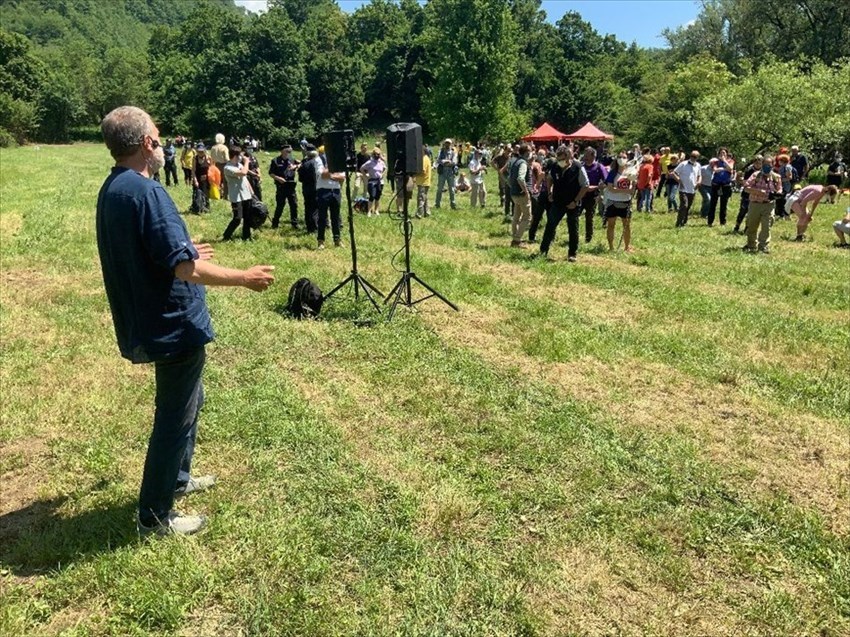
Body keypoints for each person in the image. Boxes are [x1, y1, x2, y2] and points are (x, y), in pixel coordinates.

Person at [96, 106, 274, 537]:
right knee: (174, 418)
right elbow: (186, 270)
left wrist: (182, 244)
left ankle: (177, 478)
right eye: (158, 139)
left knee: (191, 401)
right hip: (171, 324)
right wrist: (244, 277)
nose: (161, 146)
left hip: (154, 318)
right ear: (147, 144)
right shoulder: (147, 192)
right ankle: (154, 516)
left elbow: (148, 248)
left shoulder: (115, 188)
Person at [539, 145, 589, 262]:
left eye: (561, 159)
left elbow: (585, 185)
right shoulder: (555, 166)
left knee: (573, 228)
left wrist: (575, 201)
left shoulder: (578, 167)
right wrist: (550, 192)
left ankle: (572, 254)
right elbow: (549, 178)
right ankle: (543, 251)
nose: (560, 161)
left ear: (568, 157)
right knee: (550, 225)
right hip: (557, 202)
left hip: (573, 203)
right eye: (558, 159)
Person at [742, 155, 782, 254]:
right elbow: (746, 188)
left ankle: (763, 246)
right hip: (755, 204)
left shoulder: (776, 177)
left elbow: (779, 189)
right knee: (752, 225)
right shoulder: (755, 175)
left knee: (766, 226)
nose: (767, 167)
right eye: (765, 164)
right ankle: (751, 244)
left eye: (769, 165)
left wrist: (777, 194)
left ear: (773, 165)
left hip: (769, 205)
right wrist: (759, 192)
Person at [603, 151, 636, 252]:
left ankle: (626, 247)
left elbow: (633, 186)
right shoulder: (613, 172)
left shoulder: (630, 172)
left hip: (626, 202)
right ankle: (611, 247)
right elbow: (610, 188)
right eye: (620, 157)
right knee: (611, 225)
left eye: (624, 157)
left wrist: (633, 187)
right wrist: (626, 191)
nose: (622, 159)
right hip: (613, 202)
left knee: (626, 225)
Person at [221, 147, 256, 241]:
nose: (241, 157)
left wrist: (251, 191)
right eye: (239, 155)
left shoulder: (239, 165)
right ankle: (226, 236)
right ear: (234, 156)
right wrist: (247, 162)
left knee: (247, 217)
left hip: (246, 195)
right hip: (236, 196)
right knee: (237, 218)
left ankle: (246, 236)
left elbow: (245, 179)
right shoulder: (227, 168)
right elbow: (243, 173)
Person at [315, 152, 345, 249]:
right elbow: (323, 175)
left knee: (336, 217)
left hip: (336, 191)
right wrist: (333, 170)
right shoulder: (319, 159)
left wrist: (330, 175)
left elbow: (342, 177)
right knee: (322, 217)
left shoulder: (338, 160)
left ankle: (337, 240)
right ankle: (321, 241)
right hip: (323, 191)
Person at [508, 143, 534, 248]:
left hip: (514, 193)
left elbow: (510, 178)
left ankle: (515, 237)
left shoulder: (515, 162)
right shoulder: (523, 163)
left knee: (516, 216)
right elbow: (520, 178)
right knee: (527, 217)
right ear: (527, 153)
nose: (531, 153)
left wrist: (513, 187)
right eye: (530, 151)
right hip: (521, 194)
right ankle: (517, 240)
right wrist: (526, 191)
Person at [269, 144, 300, 230]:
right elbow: (271, 173)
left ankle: (294, 223)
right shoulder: (275, 161)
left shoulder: (292, 159)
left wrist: (296, 166)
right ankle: (275, 223)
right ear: (282, 151)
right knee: (280, 205)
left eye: (290, 151)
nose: (289, 153)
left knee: (294, 205)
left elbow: (301, 163)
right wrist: (278, 178)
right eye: (287, 151)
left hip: (291, 185)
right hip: (281, 185)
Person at [580, 147, 607, 244]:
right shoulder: (581, 166)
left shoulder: (599, 167)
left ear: (593, 156)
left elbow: (606, 182)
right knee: (574, 215)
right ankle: (574, 235)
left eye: (587, 155)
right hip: (580, 195)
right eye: (584, 155)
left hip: (592, 196)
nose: (585, 157)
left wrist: (596, 187)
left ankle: (588, 238)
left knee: (589, 217)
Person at [733, 156, 760, 234]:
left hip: (756, 194)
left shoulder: (763, 172)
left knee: (751, 213)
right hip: (747, 194)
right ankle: (737, 226)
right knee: (743, 210)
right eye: (756, 163)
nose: (758, 165)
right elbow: (745, 182)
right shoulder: (749, 170)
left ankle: (747, 228)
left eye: (759, 163)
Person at [674, 151, 701, 227]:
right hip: (683, 189)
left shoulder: (698, 165)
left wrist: (699, 182)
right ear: (690, 156)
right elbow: (674, 173)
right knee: (684, 205)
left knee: (688, 207)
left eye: (695, 157)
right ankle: (679, 223)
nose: (693, 158)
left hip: (692, 189)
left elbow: (699, 175)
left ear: (697, 158)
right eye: (692, 156)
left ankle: (684, 221)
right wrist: (679, 181)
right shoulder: (683, 164)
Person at [708, 147, 734, 226]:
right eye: (721, 153)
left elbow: (730, 168)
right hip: (716, 184)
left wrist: (724, 161)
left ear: (727, 154)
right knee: (713, 203)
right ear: (718, 154)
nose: (722, 154)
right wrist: (725, 169)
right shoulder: (716, 162)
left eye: (724, 153)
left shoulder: (730, 161)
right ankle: (710, 221)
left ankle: (722, 222)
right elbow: (715, 170)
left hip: (725, 185)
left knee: (723, 204)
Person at [298, 145, 319, 233]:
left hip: (306, 188)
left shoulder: (304, 164)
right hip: (317, 188)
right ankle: (315, 227)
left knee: (308, 207)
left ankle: (309, 227)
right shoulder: (318, 163)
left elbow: (300, 179)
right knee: (315, 209)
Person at [359, 148, 386, 217]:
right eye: (376, 154)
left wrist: (382, 174)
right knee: (372, 196)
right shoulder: (370, 162)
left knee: (378, 196)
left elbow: (385, 168)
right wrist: (366, 176)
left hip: (380, 181)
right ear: (373, 154)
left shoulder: (381, 162)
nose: (377, 155)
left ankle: (376, 210)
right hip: (372, 180)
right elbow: (361, 168)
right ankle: (369, 211)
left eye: (378, 154)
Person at [435, 139, 458, 210]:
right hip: (442, 173)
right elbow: (438, 160)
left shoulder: (454, 153)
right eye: (446, 143)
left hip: (450, 173)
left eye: (449, 143)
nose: (447, 144)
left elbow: (454, 162)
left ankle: (453, 205)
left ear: (451, 144)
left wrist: (445, 162)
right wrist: (446, 161)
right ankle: (437, 204)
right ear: (444, 144)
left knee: (452, 190)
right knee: (439, 189)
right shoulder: (440, 151)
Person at [191, 143, 211, 213]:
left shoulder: (208, 158)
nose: (200, 153)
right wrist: (195, 180)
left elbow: (212, 169)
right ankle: (197, 207)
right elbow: (193, 171)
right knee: (197, 193)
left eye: (202, 151)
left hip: (206, 179)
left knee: (206, 193)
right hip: (198, 178)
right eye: (199, 151)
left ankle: (206, 207)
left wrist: (207, 176)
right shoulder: (195, 159)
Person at [209, 134, 230, 199]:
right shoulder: (224, 147)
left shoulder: (213, 148)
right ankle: (225, 195)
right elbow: (226, 158)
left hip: (215, 165)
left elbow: (211, 158)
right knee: (225, 181)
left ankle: (218, 193)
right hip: (223, 165)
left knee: (217, 180)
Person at [414, 144, 432, 218]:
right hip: (425, 182)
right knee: (424, 197)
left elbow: (423, 171)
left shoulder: (424, 159)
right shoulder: (426, 158)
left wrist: (415, 175)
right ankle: (427, 212)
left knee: (421, 198)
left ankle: (419, 213)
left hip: (423, 182)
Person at [775, 154, 795, 219]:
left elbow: (789, 177)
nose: (778, 162)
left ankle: (784, 214)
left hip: (785, 186)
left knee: (783, 200)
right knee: (780, 200)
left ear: (782, 161)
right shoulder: (782, 167)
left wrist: (780, 180)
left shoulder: (787, 167)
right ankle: (780, 213)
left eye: (779, 160)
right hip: (781, 185)